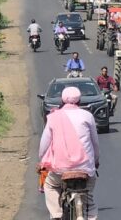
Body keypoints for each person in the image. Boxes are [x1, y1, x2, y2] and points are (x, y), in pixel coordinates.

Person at [38, 87, 99, 220]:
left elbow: (44, 144)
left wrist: (41, 160)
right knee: (88, 197)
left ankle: (56, 215)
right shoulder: (87, 116)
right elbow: (95, 144)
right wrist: (95, 161)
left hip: (60, 170)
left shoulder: (53, 117)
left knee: (50, 185)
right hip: (85, 169)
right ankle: (91, 217)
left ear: (62, 100)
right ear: (79, 101)